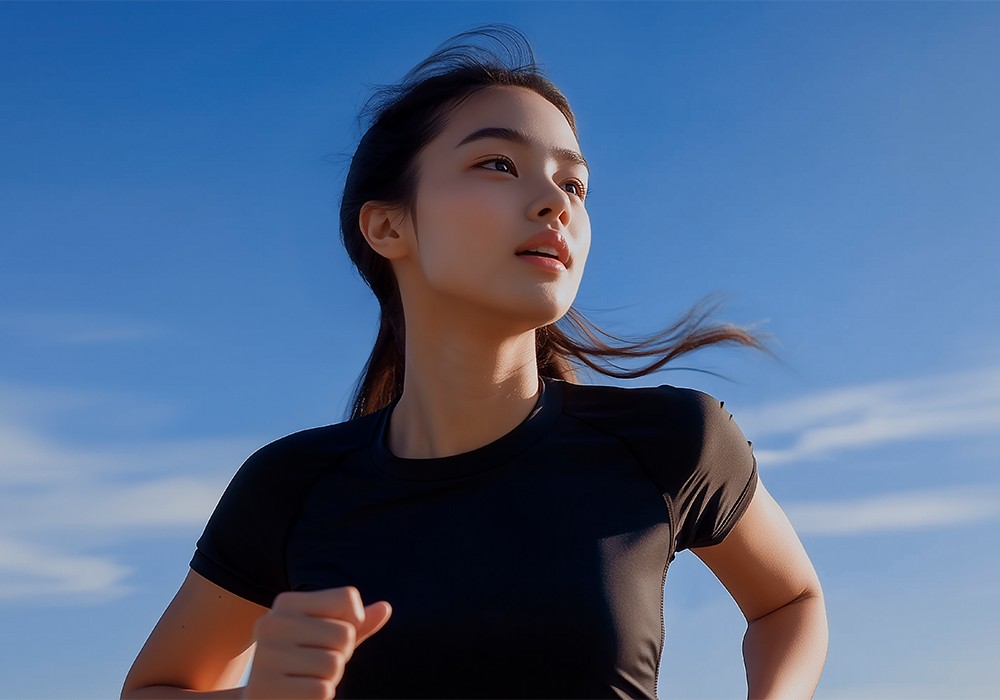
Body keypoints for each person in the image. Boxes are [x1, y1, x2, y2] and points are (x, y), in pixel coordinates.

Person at [122, 24, 827, 700]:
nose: (556, 202)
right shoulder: (290, 487)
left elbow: (791, 601)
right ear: (389, 225)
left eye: (574, 184)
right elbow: (155, 688)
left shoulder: (669, 441)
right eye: (498, 163)